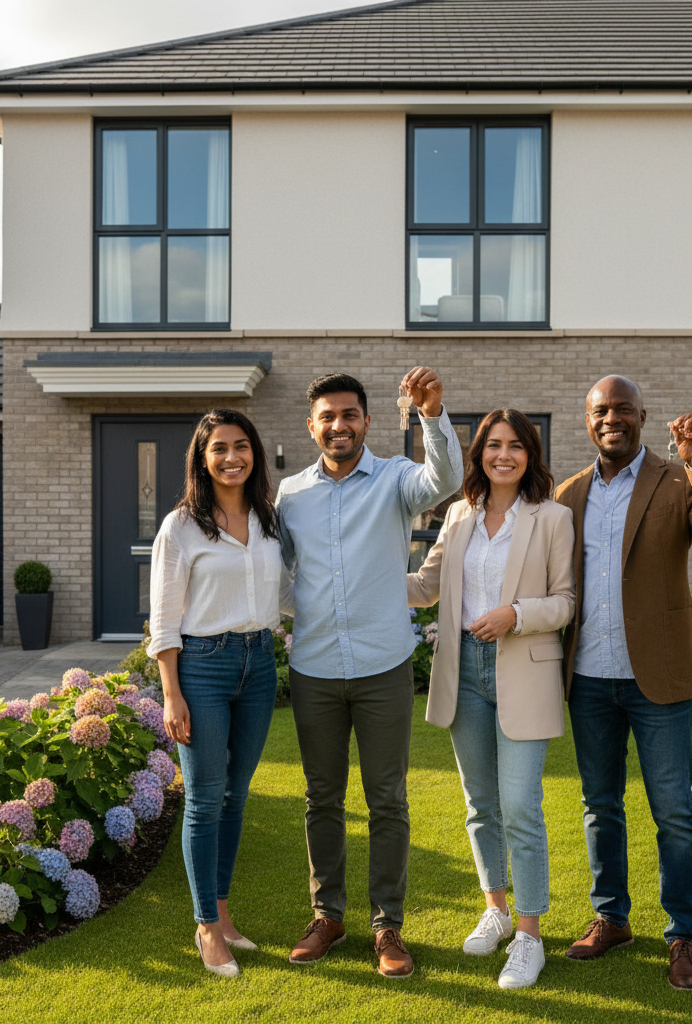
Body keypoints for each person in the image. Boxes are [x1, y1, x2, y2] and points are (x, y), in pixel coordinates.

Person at [554, 376, 692, 991]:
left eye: (622, 409)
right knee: (599, 807)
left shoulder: (675, 479)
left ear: (642, 416)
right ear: (588, 420)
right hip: (588, 678)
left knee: (674, 811)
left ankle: (683, 935)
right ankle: (611, 919)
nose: (611, 418)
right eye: (600, 410)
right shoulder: (569, 494)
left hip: (657, 678)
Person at [277, 368, 463, 978]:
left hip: (384, 666)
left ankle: (388, 926)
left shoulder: (396, 481)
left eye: (349, 415)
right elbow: (275, 573)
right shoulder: (290, 495)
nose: (339, 426)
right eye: (327, 417)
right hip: (315, 669)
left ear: (366, 421)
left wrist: (431, 416)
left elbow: (448, 479)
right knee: (322, 798)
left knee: (387, 800)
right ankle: (327, 915)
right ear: (312, 427)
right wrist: (296, 608)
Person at [407, 409, 574, 989]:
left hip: (523, 671)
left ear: (530, 454)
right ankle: (497, 910)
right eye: (493, 446)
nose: (504, 455)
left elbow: (565, 602)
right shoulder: (457, 515)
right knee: (481, 804)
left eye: (516, 446)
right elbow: (426, 587)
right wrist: (361, 566)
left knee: (521, 805)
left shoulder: (552, 517)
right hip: (465, 672)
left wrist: (516, 615)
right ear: (478, 454)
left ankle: (529, 935)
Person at [148, 408, 283, 979]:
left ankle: (224, 915)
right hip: (201, 667)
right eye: (220, 449)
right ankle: (206, 926)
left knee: (236, 794)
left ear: (255, 453)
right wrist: (172, 693)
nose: (233, 458)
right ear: (202, 459)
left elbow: (291, 589)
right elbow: (163, 617)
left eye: (242, 446)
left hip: (259, 664)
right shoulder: (181, 526)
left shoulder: (268, 519)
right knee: (205, 797)